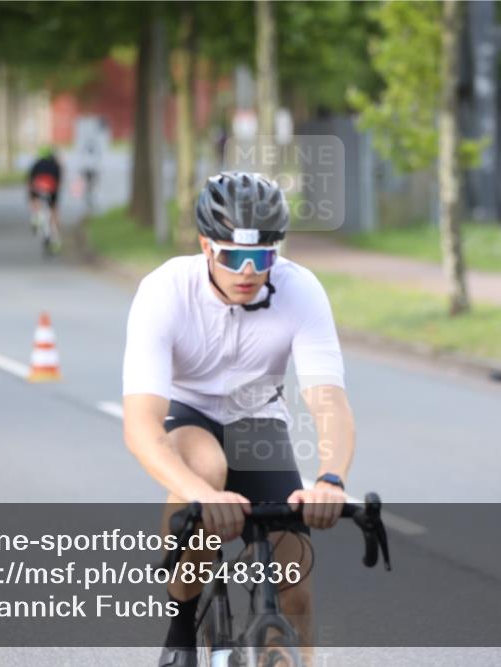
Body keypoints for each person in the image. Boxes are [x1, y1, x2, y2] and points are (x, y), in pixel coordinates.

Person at [122, 172, 356, 666]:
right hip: (188, 413)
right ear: (206, 246)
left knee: (295, 590)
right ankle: (182, 626)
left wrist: (331, 480)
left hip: (257, 421)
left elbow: (329, 402)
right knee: (206, 468)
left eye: (262, 258)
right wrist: (202, 495)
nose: (248, 272)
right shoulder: (164, 290)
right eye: (233, 257)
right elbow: (141, 425)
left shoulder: (300, 290)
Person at [27, 146, 63, 250]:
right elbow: (59, 180)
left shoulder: (36, 164)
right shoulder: (55, 165)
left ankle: (36, 216)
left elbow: (31, 179)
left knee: (34, 199)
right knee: (53, 210)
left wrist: (31, 194)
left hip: (38, 186)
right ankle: (56, 236)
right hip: (52, 188)